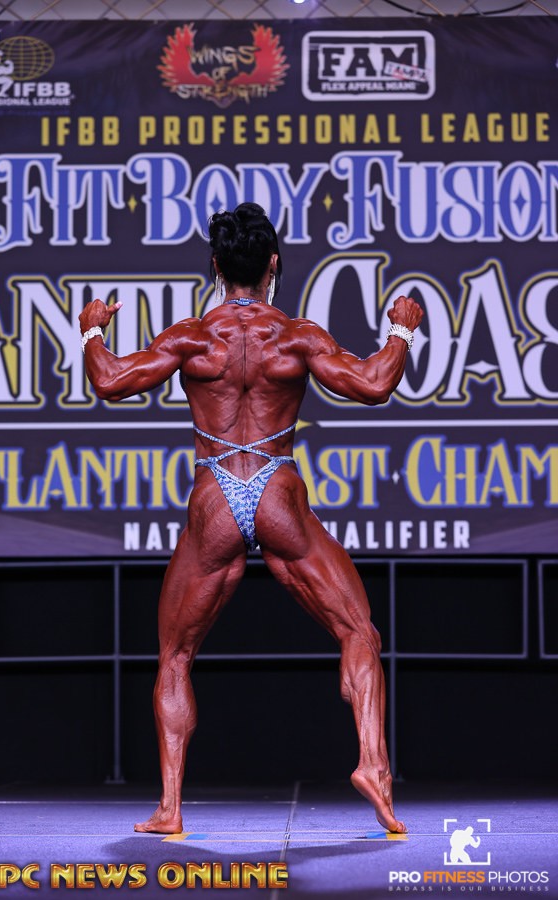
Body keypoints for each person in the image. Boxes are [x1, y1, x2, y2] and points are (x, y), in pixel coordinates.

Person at [79, 202, 423, 835]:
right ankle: (374, 765)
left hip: (215, 496)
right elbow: (374, 384)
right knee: (358, 630)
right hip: (277, 494)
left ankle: (170, 806)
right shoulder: (295, 336)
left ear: (215, 265)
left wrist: (92, 331)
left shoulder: (191, 337)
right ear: (273, 264)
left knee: (176, 655)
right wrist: (401, 331)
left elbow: (110, 381)